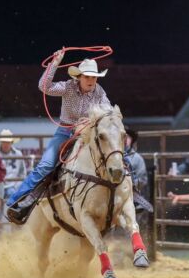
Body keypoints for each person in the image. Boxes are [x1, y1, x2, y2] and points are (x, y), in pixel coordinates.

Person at [7, 49, 111, 223]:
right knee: (46, 165)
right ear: (79, 77)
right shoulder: (68, 87)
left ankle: (131, 196)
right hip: (66, 132)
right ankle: (16, 202)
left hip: (88, 134)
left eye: (94, 77)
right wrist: (54, 64)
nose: (91, 80)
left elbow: (108, 111)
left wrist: (96, 121)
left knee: (114, 155)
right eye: (87, 77)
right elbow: (44, 87)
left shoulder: (99, 92)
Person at [0, 129, 27, 225]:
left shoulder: (18, 154)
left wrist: (17, 185)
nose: (6, 144)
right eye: (4, 142)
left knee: (13, 202)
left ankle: (10, 227)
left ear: (11, 142)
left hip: (12, 186)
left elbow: (22, 173)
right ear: (0, 142)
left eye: (8, 142)